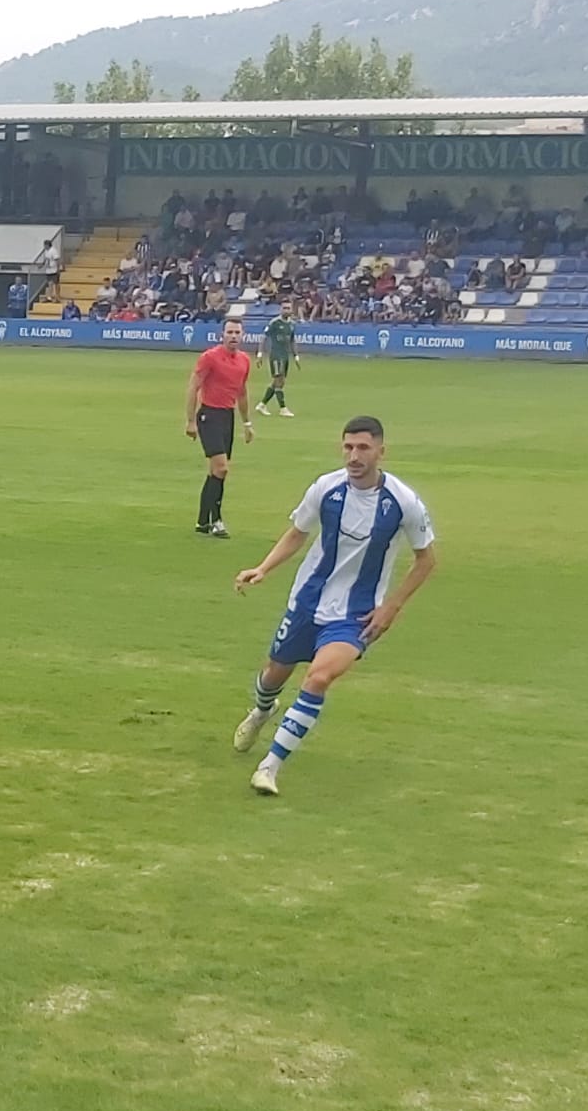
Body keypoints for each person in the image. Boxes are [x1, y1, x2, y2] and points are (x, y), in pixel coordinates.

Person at [230, 416, 437, 796]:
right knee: (275, 674)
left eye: (363, 448)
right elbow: (297, 534)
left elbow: (426, 560)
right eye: (348, 447)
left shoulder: (403, 501)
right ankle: (262, 711)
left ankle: (269, 767)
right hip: (308, 601)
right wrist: (263, 568)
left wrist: (391, 607)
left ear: (381, 452)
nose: (354, 456)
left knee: (319, 678)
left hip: (357, 615)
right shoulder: (326, 489)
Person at [184, 318, 256, 538]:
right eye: (230, 332)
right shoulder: (210, 358)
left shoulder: (244, 360)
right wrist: (190, 420)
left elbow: (241, 393)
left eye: (237, 332)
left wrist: (247, 422)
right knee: (221, 468)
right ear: (222, 334)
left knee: (217, 472)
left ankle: (202, 521)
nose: (233, 336)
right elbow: (193, 386)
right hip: (209, 415)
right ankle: (216, 520)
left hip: (227, 416)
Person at [253, 302, 302, 417]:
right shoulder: (274, 323)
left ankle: (262, 405)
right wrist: (260, 354)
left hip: (285, 357)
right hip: (276, 356)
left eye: (288, 308)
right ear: (280, 309)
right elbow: (264, 337)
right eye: (284, 308)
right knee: (278, 380)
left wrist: (296, 356)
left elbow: (292, 340)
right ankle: (283, 408)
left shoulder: (292, 324)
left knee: (279, 382)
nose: (286, 310)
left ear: (291, 310)